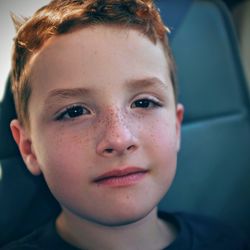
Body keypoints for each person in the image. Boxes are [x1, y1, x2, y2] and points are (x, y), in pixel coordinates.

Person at [2, 0, 249, 249]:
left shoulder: (230, 241)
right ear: (28, 148)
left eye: (143, 103)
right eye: (74, 112)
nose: (119, 139)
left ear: (176, 127)